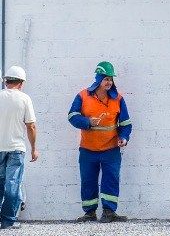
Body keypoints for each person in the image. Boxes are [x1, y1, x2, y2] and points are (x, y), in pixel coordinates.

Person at [67, 61, 131, 223]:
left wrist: (124, 137)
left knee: (111, 179)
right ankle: (90, 213)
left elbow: (126, 124)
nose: (109, 82)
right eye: (106, 79)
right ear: (98, 79)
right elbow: (72, 116)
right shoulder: (83, 96)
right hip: (88, 149)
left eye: (111, 79)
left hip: (111, 149)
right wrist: (88, 122)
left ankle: (109, 212)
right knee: (88, 180)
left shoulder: (118, 99)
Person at [0, 66, 36, 230]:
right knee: (13, 184)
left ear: (6, 81)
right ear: (21, 83)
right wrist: (34, 148)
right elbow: (31, 126)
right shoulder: (24, 99)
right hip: (16, 149)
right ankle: (8, 221)